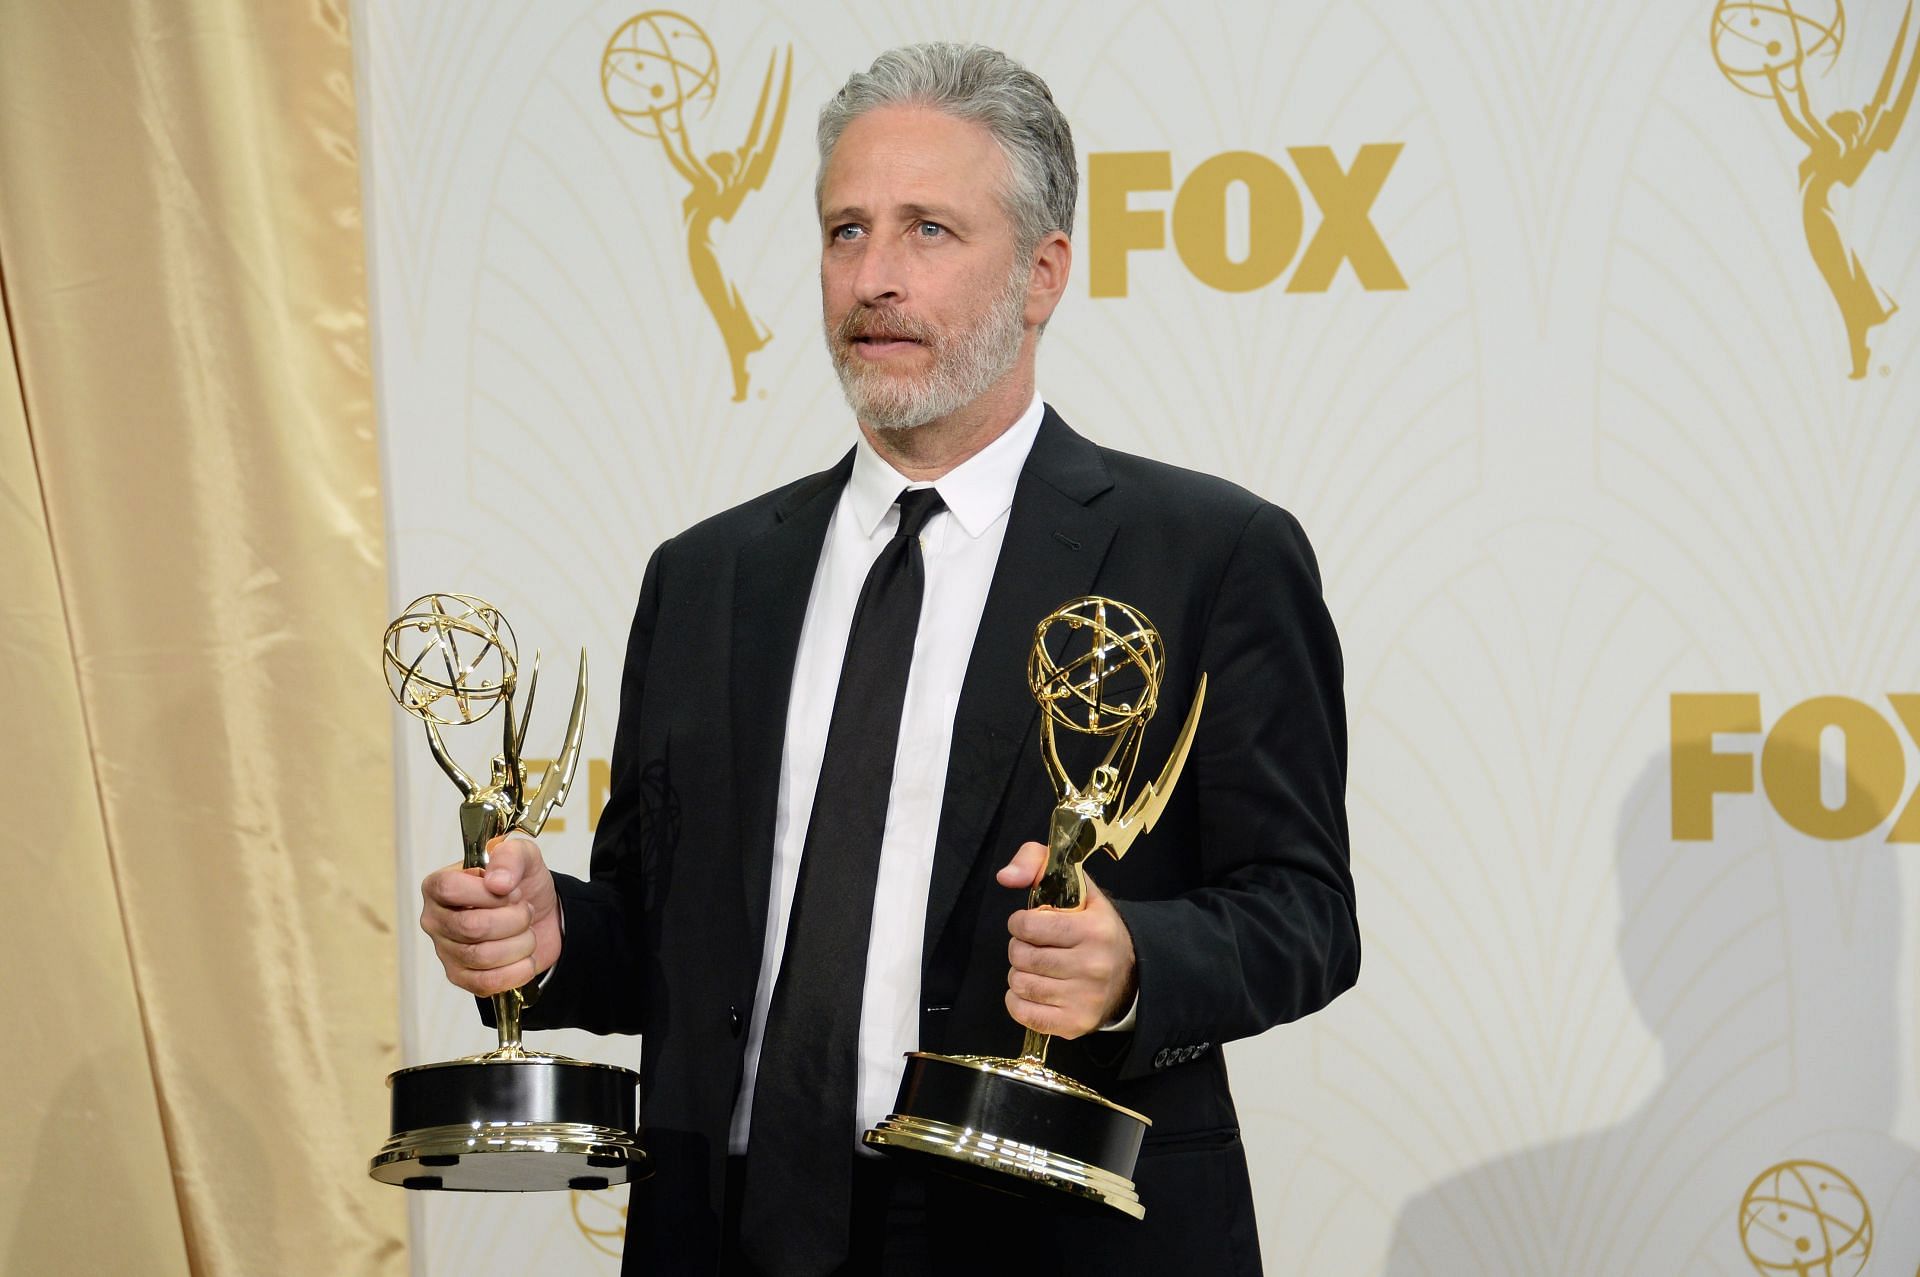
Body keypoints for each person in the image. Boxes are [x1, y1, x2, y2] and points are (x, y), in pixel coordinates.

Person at [419, 42, 1358, 1277]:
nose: (874, 278)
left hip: (1049, 1233)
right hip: (729, 1226)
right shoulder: (705, 577)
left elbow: (1305, 911)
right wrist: (545, 935)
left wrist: (1133, 960)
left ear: (1043, 273)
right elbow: (666, 936)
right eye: (846, 230)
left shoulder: (1210, 553)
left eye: (928, 232)